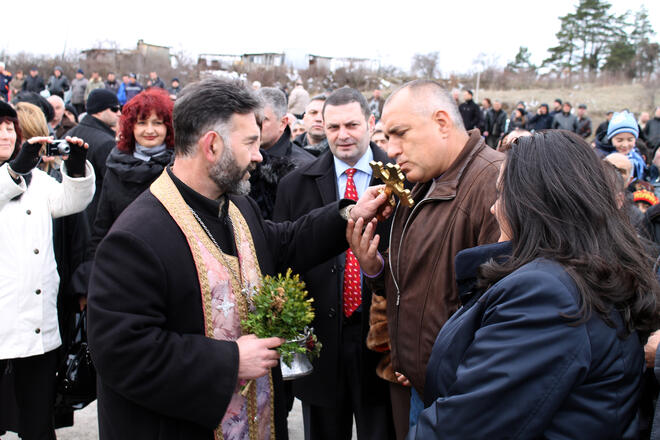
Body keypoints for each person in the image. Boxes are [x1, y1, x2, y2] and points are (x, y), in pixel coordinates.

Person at [86, 78, 389, 440]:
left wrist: (350, 214)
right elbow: (121, 353)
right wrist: (229, 362)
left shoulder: (235, 204)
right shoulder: (136, 238)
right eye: (249, 144)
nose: (259, 156)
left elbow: (282, 242)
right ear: (212, 146)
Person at [409, 130, 660, 439]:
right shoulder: (588, 271)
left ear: (534, 204)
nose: (492, 208)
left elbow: (463, 427)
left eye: (501, 194)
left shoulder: (546, 295)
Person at [347, 79, 503, 432]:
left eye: (400, 133)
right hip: (421, 386)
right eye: (386, 138)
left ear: (442, 123)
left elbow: (500, 315)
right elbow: (414, 286)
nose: (391, 150)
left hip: (459, 400)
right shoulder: (420, 181)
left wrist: (437, 368)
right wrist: (374, 269)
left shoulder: (493, 183)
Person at [274, 87, 395, 440]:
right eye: (333, 127)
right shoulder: (295, 184)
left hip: (380, 337)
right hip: (321, 339)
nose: (342, 135)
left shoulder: (400, 178)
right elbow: (285, 265)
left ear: (371, 124)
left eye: (352, 125)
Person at [0, 99, 95, 440]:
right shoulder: (16, 175)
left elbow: (70, 203)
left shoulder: (36, 180)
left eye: (9, 127)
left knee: (38, 422)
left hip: (37, 325)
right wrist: (13, 173)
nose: (5, 134)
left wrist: (77, 170)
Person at [88, 87, 174, 256]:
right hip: (123, 258)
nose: (150, 130)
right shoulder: (116, 165)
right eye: (142, 123)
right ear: (131, 127)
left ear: (168, 127)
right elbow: (102, 224)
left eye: (157, 123)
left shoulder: (179, 167)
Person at [248, 87, 314, 219]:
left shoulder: (303, 167)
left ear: (283, 123)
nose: (255, 126)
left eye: (262, 120)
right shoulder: (239, 158)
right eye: (251, 119)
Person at [66, 89, 121, 227]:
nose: (119, 113)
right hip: (94, 217)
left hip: (70, 214)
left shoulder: (70, 133)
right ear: (99, 110)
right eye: (114, 109)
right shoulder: (106, 142)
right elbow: (113, 188)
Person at [607, 111, 646, 181]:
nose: (625, 145)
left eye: (630, 140)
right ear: (611, 140)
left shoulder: (638, 159)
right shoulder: (603, 157)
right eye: (619, 140)